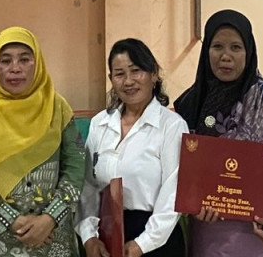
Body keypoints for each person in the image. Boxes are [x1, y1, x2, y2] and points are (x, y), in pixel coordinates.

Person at [174, 9, 263, 257]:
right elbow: (179, 174)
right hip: (209, 243)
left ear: (249, 51)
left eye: (236, 47)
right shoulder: (188, 105)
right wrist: (191, 203)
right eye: (217, 46)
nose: (226, 56)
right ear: (206, 51)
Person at [0, 27, 84, 257]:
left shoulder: (57, 108)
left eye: (24, 59)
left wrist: (50, 218)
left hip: (53, 237)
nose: (15, 68)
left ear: (38, 64)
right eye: (5, 60)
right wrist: (10, 219)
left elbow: (75, 167)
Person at [77, 38, 188, 257]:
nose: (128, 81)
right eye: (119, 74)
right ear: (111, 79)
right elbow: (88, 187)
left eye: (136, 71)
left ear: (153, 74)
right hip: (106, 238)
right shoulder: (99, 124)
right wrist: (89, 237)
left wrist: (141, 244)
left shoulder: (172, 126)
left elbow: (173, 194)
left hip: (157, 241)